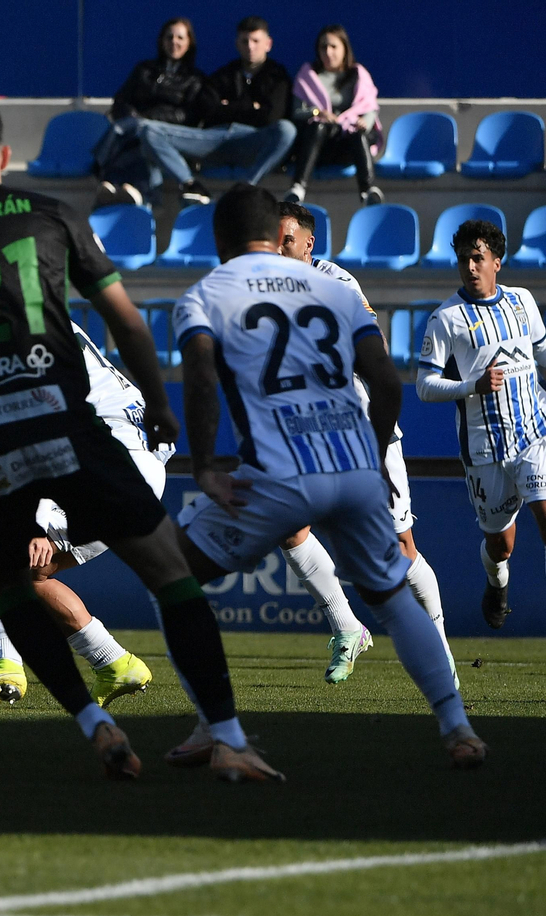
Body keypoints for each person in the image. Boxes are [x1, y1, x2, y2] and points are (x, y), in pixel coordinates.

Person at [0, 98, 265, 782]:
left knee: (9, 582)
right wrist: (162, 406)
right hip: (70, 430)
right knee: (169, 571)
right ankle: (228, 734)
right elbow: (128, 321)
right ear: (3, 159)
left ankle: (92, 720)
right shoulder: (52, 216)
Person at [172, 185, 485, 770]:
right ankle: (457, 725)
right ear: (275, 233)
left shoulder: (206, 294)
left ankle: (220, 733)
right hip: (353, 459)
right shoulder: (331, 289)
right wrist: (371, 451)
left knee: (173, 576)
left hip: (280, 469)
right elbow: (387, 383)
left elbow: (199, 383)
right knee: (391, 596)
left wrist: (204, 468)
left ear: (220, 239)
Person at [0, 323, 164, 709]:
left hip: (106, 462)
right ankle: (116, 664)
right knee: (30, 573)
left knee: (0, 549)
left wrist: (36, 518)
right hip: (132, 464)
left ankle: (5, 663)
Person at [273, 203, 455, 684]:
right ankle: (347, 628)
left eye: (285, 241)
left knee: (399, 548)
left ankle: (439, 649)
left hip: (360, 430)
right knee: (288, 528)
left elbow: (373, 359)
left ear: (307, 244)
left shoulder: (337, 285)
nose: (275, 249)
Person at [415, 218, 546, 632]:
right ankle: (496, 582)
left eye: (478, 258)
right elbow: (423, 385)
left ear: (497, 262)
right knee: (500, 544)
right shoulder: (445, 319)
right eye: (463, 260)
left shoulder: (523, 302)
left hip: (533, 436)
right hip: (485, 450)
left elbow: (542, 353)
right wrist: (472, 385)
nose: (470, 267)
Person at [135, 15, 296, 206]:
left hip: (252, 141)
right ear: (237, 43)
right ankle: (190, 185)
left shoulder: (278, 76)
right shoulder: (225, 74)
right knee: (149, 131)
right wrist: (251, 108)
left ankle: (246, 186)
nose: (250, 47)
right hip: (214, 140)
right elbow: (208, 109)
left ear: (268, 44)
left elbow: (271, 117)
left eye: (256, 41)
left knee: (287, 130)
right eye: (245, 41)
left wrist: (229, 106)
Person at [94, 17, 204, 208]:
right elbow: (121, 101)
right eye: (169, 37)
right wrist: (135, 119)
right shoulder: (144, 70)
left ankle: (117, 184)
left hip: (167, 139)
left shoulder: (195, 79)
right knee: (138, 140)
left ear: (189, 43)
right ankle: (135, 193)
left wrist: (147, 120)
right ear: (161, 41)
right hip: (134, 132)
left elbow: (189, 116)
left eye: (180, 38)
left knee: (145, 139)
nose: (174, 42)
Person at [286, 24, 383, 206]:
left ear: (345, 49)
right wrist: (318, 112)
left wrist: (366, 121)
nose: (328, 52)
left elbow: (370, 105)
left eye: (333, 47)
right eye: (323, 47)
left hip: (350, 142)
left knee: (358, 133)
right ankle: (298, 188)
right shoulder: (308, 75)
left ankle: (367, 190)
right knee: (318, 126)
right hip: (322, 143)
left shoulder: (358, 74)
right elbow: (297, 112)